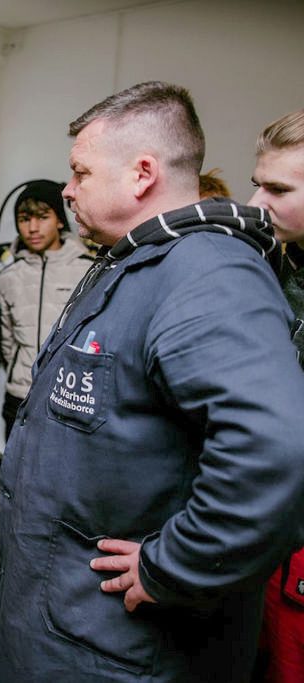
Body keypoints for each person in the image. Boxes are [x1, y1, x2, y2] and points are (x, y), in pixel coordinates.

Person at [0, 81, 304, 682]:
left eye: (79, 172)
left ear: (142, 174)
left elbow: (274, 451)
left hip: (113, 644)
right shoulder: (137, 259)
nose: (68, 190)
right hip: (63, 610)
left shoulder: (208, 272)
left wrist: (176, 566)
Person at [248, 107, 304, 683]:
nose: (257, 200)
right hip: (267, 510)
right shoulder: (272, 258)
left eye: (278, 189)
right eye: (257, 181)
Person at [0, 179, 93, 438]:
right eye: (25, 218)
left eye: (42, 217)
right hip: (19, 394)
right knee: (13, 474)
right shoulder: (8, 275)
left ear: (60, 220)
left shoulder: (85, 269)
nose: (33, 227)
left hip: (65, 395)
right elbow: (6, 339)